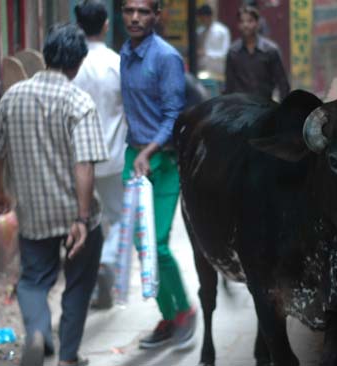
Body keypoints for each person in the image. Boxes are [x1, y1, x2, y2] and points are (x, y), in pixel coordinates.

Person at [0, 24, 109, 366]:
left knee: (33, 281)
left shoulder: (13, 97)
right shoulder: (79, 102)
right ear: (78, 63)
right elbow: (85, 164)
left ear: (46, 56)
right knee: (79, 285)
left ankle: (37, 332)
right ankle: (68, 357)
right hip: (74, 216)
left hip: (34, 214)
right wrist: (82, 218)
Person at [120, 0, 196, 350]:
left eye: (143, 11)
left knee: (159, 244)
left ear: (156, 16)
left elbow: (172, 115)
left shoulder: (166, 57)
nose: (134, 17)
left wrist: (149, 152)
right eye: (128, 10)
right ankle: (168, 317)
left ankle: (185, 310)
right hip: (134, 159)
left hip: (162, 161)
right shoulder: (124, 52)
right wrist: (136, 153)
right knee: (141, 246)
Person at [73, 0, 127, 310]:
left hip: (81, 158)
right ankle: (107, 262)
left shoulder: (73, 65)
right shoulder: (116, 63)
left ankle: (90, 278)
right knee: (118, 217)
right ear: (106, 25)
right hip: (114, 153)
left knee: (85, 218)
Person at [224, 5, 290, 100]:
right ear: (238, 25)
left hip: (265, 106)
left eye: (250, 21)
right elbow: (229, 86)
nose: (245, 25)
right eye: (242, 21)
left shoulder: (270, 50)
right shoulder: (233, 52)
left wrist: (283, 109)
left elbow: (282, 83)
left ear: (257, 23)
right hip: (242, 108)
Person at [196, 4, 231, 78]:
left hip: (218, 71)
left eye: (203, 18)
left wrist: (207, 53)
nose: (202, 21)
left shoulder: (222, 31)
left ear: (210, 17)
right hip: (202, 71)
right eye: (200, 19)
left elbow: (225, 53)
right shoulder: (199, 32)